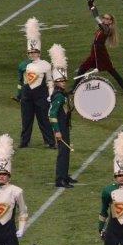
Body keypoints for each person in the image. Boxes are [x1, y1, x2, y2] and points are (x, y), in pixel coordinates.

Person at [76, 0, 123, 95]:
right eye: (104, 17)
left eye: (107, 19)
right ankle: (74, 89)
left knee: (112, 71)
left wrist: (92, 7)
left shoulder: (107, 29)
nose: (104, 19)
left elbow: (96, 18)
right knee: (83, 68)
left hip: (101, 53)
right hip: (94, 52)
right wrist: (92, 5)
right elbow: (96, 15)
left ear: (111, 21)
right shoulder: (102, 27)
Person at [16, 17, 55, 149]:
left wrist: (50, 95)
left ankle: (50, 141)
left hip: (41, 95)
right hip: (26, 95)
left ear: (39, 52)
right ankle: (24, 142)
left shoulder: (46, 64)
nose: (32, 54)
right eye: (31, 52)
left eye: (35, 52)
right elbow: (20, 82)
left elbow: (49, 81)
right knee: (26, 120)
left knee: (44, 119)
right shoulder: (22, 65)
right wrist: (19, 95)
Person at [48, 43, 75, 188]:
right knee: (63, 152)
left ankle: (65, 175)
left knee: (66, 151)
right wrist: (57, 131)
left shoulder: (62, 93)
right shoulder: (58, 96)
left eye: (64, 80)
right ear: (56, 82)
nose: (63, 83)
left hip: (64, 125)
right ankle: (60, 179)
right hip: (60, 127)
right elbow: (51, 114)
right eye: (60, 81)